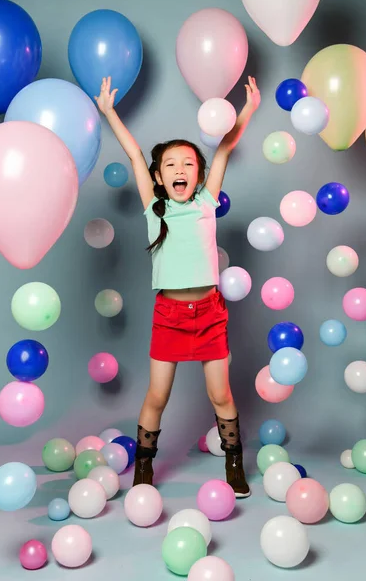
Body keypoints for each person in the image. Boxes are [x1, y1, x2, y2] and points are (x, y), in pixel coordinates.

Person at [95, 75, 261, 498]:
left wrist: (247, 111)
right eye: (171, 165)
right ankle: (145, 467)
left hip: (209, 312)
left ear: (200, 175)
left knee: (221, 394)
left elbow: (224, 145)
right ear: (159, 177)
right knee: (157, 395)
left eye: (189, 164)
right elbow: (133, 153)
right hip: (169, 315)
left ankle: (234, 460)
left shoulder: (206, 202)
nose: (181, 170)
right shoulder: (155, 207)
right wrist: (109, 111)